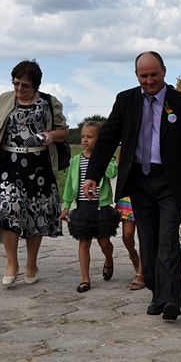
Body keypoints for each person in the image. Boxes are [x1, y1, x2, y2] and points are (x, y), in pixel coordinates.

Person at [84, 51, 181, 320]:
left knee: (168, 240)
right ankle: (156, 289)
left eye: (153, 74)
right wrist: (93, 174)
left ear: (164, 71)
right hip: (139, 181)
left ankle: (171, 299)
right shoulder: (126, 101)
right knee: (147, 240)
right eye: (143, 75)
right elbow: (108, 140)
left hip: (169, 182)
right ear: (136, 76)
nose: (149, 81)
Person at [0, 60, 68, 287]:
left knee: (37, 214)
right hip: (10, 166)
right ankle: (11, 263)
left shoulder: (49, 102)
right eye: (16, 83)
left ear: (35, 85)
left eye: (25, 85)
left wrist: (51, 136)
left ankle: (31, 263)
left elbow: (64, 131)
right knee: (8, 210)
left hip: (39, 167)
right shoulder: (4, 100)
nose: (19, 89)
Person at [59, 121, 119, 293]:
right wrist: (66, 206)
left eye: (90, 137)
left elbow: (111, 173)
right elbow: (70, 185)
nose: (85, 140)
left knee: (104, 242)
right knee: (84, 243)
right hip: (83, 207)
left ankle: (108, 259)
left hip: (101, 207)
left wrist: (103, 157)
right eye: (83, 136)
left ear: (99, 139)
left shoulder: (107, 159)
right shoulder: (76, 161)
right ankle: (85, 279)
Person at [116, 196, 144, 290]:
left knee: (145, 236)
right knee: (127, 235)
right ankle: (133, 254)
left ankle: (141, 274)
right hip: (129, 195)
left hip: (147, 194)